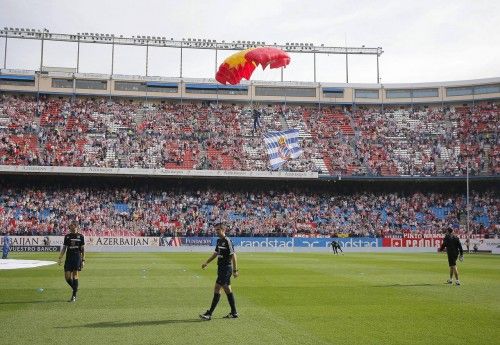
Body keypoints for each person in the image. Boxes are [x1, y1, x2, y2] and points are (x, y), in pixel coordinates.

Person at [199, 223, 239, 320]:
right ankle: (234, 312)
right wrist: (206, 262)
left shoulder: (227, 241)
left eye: (218, 230)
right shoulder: (219, 241)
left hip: (226, 268)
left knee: (217, 288)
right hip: (220, 268)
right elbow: (216, 253)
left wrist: (235, 270)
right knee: (227, 289)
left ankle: (209, 313)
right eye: (215, 230)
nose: (216, 231)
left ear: (223, 230)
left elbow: (234, 255)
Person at [58, 222, 85, 302]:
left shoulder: (81, 236)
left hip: (77, 257)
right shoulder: (67, 236)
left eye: (71, 225)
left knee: (75, 275)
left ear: (75, 226)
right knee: (67, 277)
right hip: (69, 258)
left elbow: (83, 249)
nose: (69, 226)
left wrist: (83, 260)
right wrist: (60, 257)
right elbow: (64, 248)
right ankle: (75, 288)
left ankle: (74, 296)